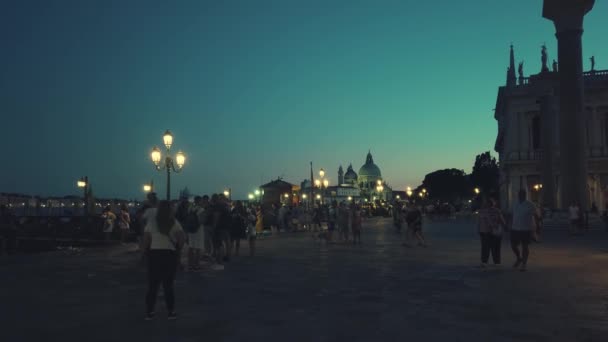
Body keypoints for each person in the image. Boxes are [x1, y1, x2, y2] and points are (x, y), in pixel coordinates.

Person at [143, 200, 185, 320]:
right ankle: (171, 312)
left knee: (152, 285)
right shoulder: (174, 222)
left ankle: (149, 312)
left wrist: (143, 253)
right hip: (169, 255)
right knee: (168, 285)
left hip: (154, 254)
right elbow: (182, 238)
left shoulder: (151, 222)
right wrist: (177, 248)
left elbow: (146, 239)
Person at [511, 189, 539, 272]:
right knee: (513, 245)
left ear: (525, 195)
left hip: (526, 228)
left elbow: (536, 216)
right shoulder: (515, 204)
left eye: (522, 194)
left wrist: (535, 229)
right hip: (515, 228)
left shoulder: (530, 204)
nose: (521, 195)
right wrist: (509, 225)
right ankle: (519, 258)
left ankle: (524, 264)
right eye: (520, 194)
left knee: (525, 246)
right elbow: (512, 214)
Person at [477, 197, 505, 268]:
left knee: (485, 247)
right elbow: (502, 221)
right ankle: (497, 262)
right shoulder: (497, 211)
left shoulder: (482, 211)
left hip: (485, 231)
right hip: (495, 231)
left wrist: (479, 230)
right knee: (496, 247)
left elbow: (480, 222)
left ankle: (484, 262)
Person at [185, 196, 205, 272]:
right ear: (200, 201)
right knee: (198, 248)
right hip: (198, 230)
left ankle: (190, 264)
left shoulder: (190, 209)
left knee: (191, 247)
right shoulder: (201, 209)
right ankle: (196, 265)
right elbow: (201, 221)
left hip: (190, 230)